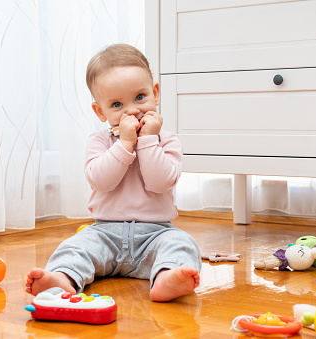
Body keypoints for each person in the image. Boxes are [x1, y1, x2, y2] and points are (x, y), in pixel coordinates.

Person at [25, 44, 201, 302]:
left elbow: (160, 183)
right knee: (75, 246)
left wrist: (148, 141)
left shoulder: (167, 140)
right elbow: (101, 181)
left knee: (182, 243)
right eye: (117, 104)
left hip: (156, 234)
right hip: (104, 234)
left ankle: (166, 276)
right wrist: (125, 145)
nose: (132, 110)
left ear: (155, 93)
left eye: (140, 97)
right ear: (100, 111)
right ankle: (63, 278)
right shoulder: (99, 141)